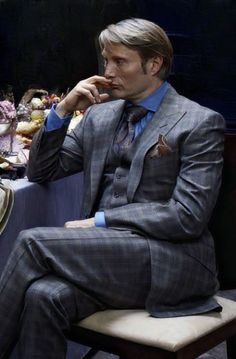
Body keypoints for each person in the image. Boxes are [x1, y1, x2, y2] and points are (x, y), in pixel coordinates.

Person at [0, 18, 225, 359]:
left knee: (32, 241)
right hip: (106, 259)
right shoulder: (99, 116)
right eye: (106, 61)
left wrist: (100, 221)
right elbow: (42, 171)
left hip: (170, 260)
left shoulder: (199, 122)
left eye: (120, 62)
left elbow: (188, 217)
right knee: (41, 296)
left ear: (154, 63)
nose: (108, 72)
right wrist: (61, 112)